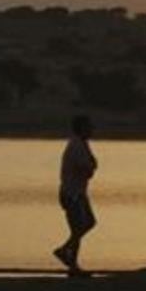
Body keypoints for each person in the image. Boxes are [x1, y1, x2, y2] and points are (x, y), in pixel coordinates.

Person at [53, 115, 97, 275]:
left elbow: (91, 165)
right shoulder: (76, 146)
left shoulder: (83, 144)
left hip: (78, 192)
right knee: (78, 226)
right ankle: (69, 258)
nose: (92, 130)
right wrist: (91, 167)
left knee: (88, 223)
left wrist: (91, 167)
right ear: (81, 128)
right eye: (89, 127)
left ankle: (68, 255)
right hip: (71, 193)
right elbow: (87, 168)